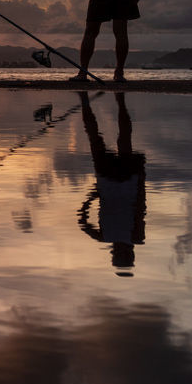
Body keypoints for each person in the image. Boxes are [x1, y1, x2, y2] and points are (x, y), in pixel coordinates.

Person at [76, 91, 146, 275]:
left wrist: (141, 176)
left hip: (128, 179)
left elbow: (141, 207)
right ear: (114, 253)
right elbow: (81, 221)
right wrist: (92, 197)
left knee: (124, 138)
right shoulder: (103, 237)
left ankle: (120, 101)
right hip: (107, 180)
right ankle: (85, 102)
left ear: (130, 253)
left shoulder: (137, 238)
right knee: (94, 136)